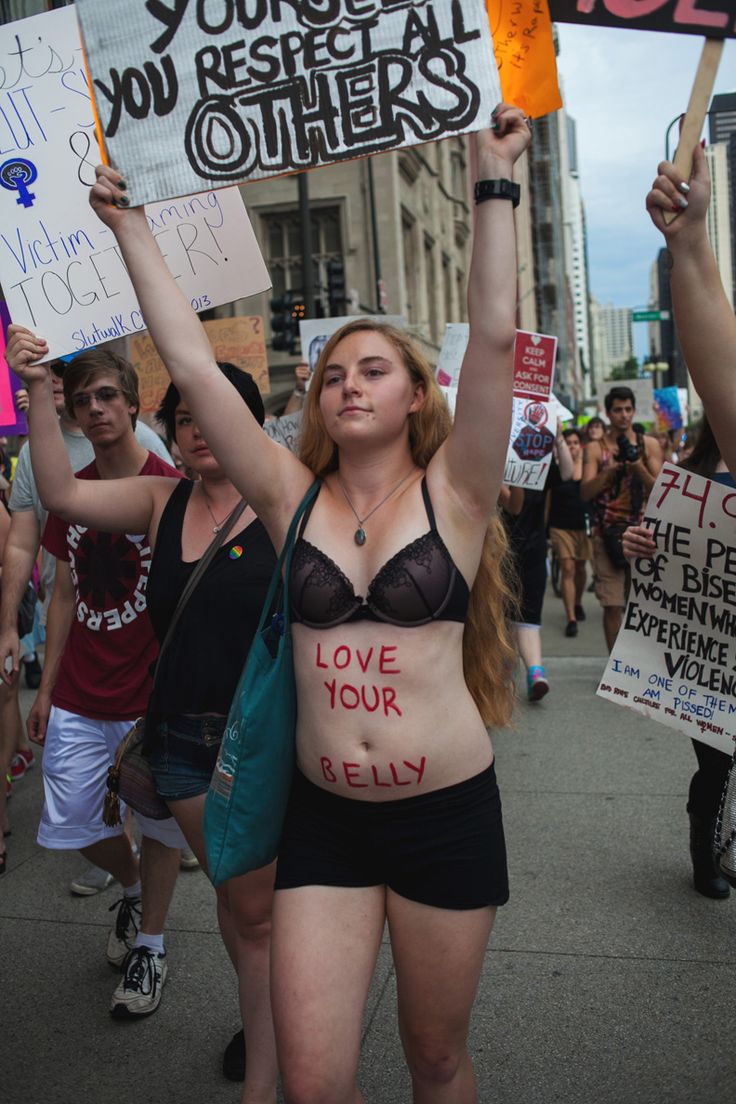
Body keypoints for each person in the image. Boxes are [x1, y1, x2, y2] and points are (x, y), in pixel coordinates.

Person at [89, 104, 529, 1102]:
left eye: (373, 369)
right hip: (324, 821)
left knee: (434, 1059)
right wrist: (132, 233)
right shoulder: (288, 497)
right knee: (312, 1084)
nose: (347, 384)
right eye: (332, 374)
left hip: (444, 818)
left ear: (416, 393)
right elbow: (196, 369)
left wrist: (491, 181)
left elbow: (495, 340)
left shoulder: (454, 495)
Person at [13, 341, 279, 1096]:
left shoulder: (288, 499)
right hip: (188, 745)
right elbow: (60, 498)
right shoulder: (162, 501)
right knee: (241, 906)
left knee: (279, 904)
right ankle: (266, 1033)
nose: (198, 431)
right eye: (184, 418)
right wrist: (38, 388)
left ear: (249, 423)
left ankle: (277, 1032)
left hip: (271, 737)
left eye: (214, 416)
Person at [4, 332, 188, 1019]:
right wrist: (44, 688)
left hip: (150, 688)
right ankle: (134, 887)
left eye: (107, 395)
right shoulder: (70, 494)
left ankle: (153, 943)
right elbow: (62, 591)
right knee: (73, 822)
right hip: (82, 684)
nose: (96, 408)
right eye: (82, 401)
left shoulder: (172, 488)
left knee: (162, 823)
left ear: (135, 405)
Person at [581, 386, 662, 651]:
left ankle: (636, 665)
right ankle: (614, 665)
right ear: (608, 412)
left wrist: (637, 465)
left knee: (642, 606)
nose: (623, 415)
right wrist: (610, 471)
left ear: (634, 411)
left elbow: (662, 491)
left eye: (628, 409)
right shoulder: (595, 448)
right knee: (612, 604)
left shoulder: (648, 444)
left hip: (644, 535)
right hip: (607, 534)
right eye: (617, 410)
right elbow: (585, 492)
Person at [548, 427, 592, 637]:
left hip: (583, 526)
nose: (573, 446)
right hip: (560, 526)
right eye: (569, 442)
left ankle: (578, 601)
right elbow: (548, 500)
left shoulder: (588, 466)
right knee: (568, 568)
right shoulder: (557, 468)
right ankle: (571, 617)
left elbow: (585, 486)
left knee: (581, 569)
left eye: (576, 443)